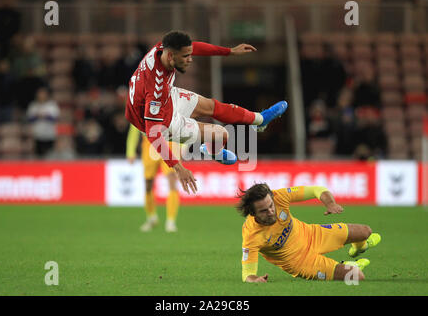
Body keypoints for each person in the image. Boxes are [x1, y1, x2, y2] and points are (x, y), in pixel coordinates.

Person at [124, 30, 288, 195]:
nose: (191, 59)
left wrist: (229, 51)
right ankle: (211, 150)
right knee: (222, 135)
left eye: (189, 54)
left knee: (211, 106)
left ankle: (260, 120)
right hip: (162, 123)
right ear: (171, 57)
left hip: (167, 99)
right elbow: (153, 133)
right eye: (186, 56)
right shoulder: (155, 88)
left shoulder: (162, 49)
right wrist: (178, 168)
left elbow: (195, 47)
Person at [237, 183, 381, 282]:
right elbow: (247, 275)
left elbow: (316, 190)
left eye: (271, 206)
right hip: (301, 262)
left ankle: (359, 248)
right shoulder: (252, 236)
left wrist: (330, 203)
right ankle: (348, 265)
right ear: (252, 213)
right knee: (357, 275)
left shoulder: (279, 196)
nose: (271, 211)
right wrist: (255, 280)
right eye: (263, 210)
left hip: (312, 234)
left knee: (365, 231)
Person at [127, 124, 180, 233]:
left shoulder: (170, 107)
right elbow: (134, 129)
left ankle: (171, 221)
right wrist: (130, 151)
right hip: (149, 148)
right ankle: (151, 218)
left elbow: (180, 124)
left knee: (172, 180)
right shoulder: (140, 108)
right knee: (148, 185)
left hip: (170, 146)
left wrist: (183, 146)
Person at [26, 87, 60, 158]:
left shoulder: (52, 105)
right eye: (40, 94)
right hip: (38, 135)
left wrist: (46, 116)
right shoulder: (33, 105)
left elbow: (55, 119)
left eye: (43, 94)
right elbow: (29, 119)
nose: (41, 95)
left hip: (50, 135)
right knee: (38, 156)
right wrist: (37, 116)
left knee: (50, 156)